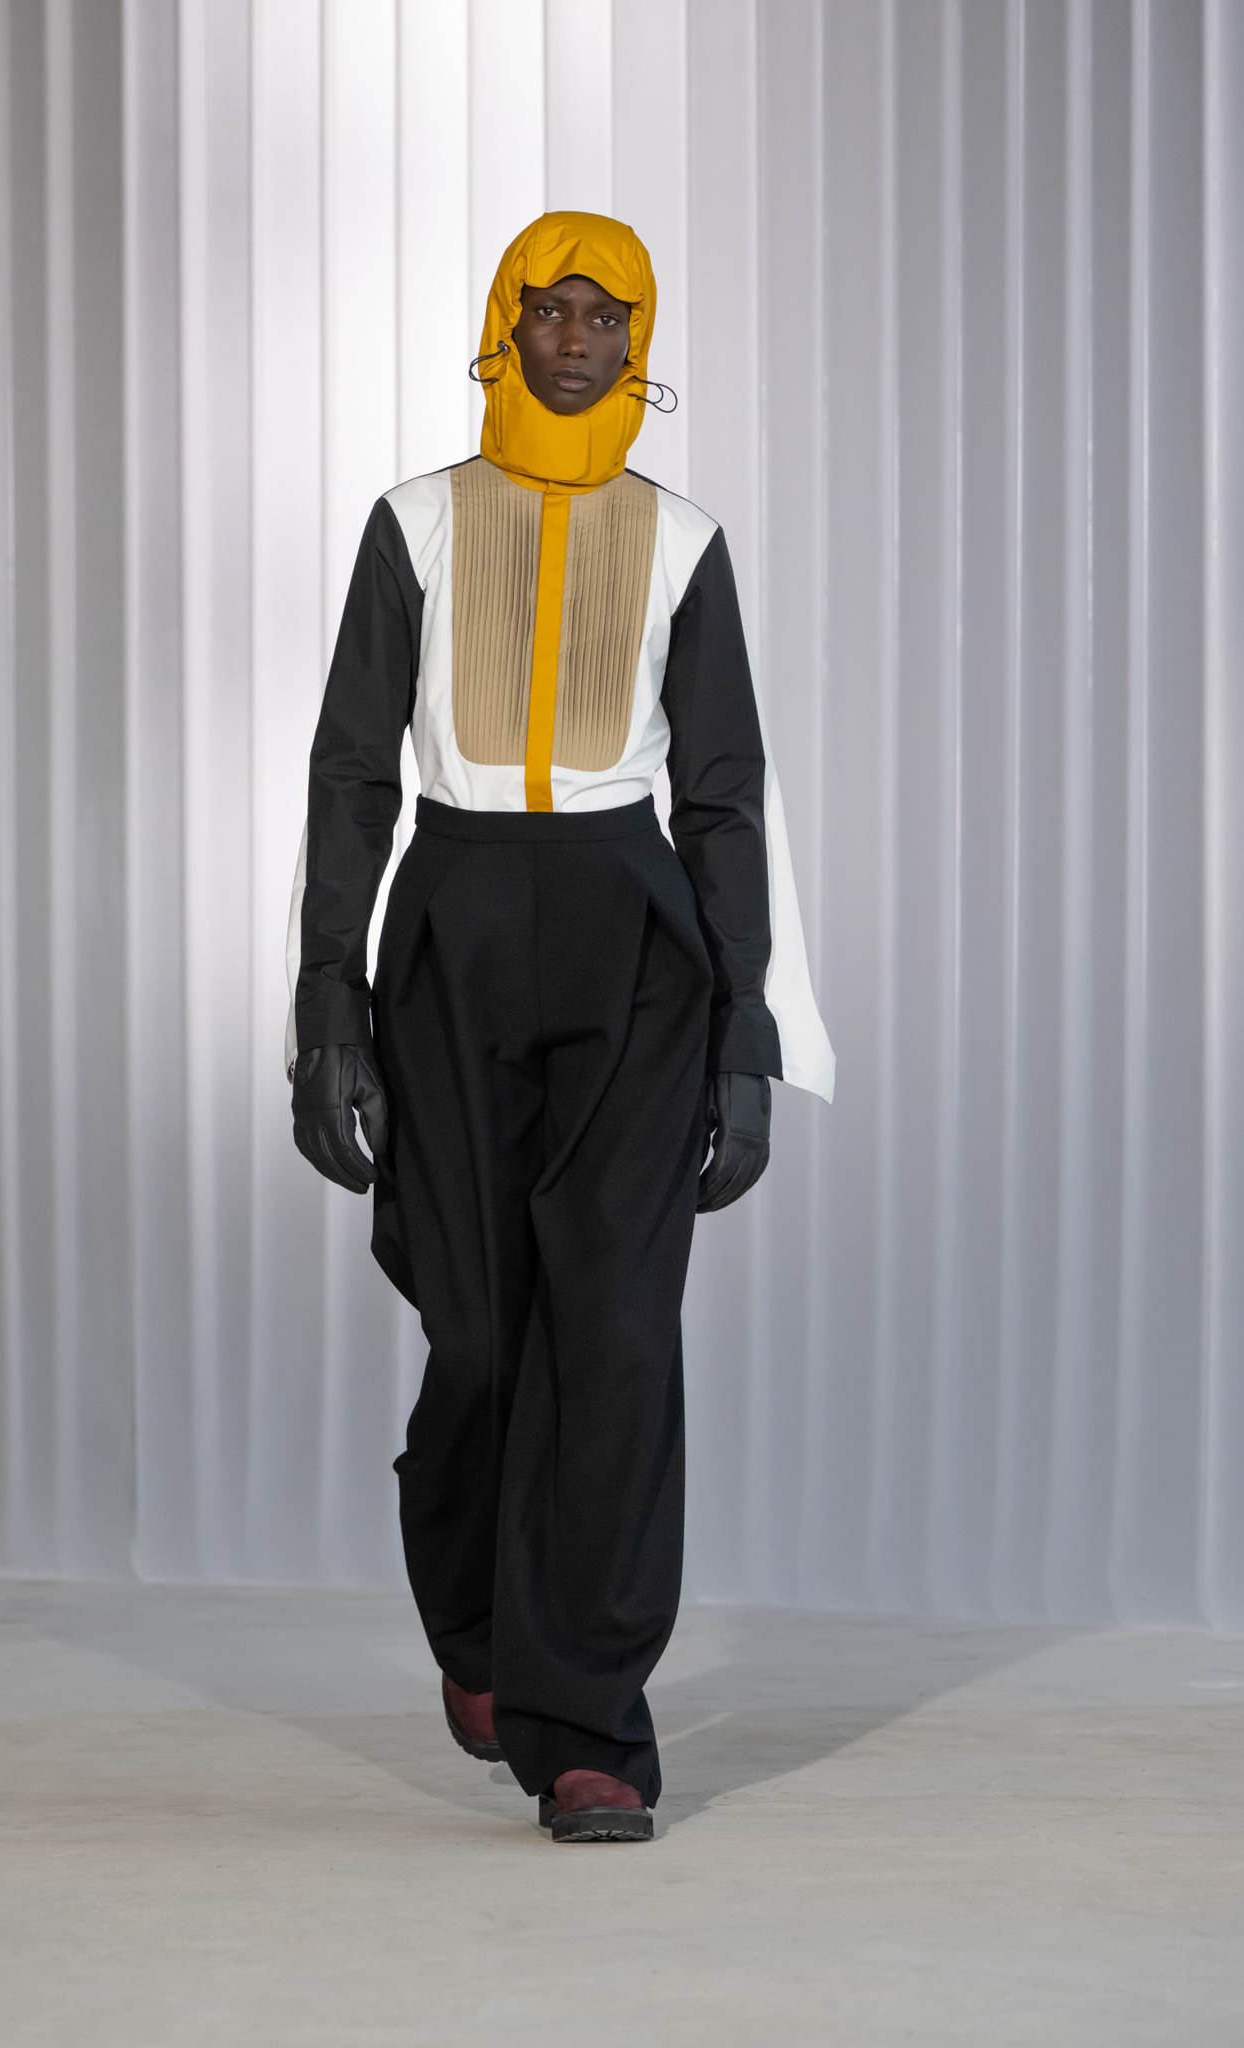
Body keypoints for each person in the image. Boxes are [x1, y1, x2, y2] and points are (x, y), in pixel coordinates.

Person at [287, 212, 834, 1843]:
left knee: (613, 1340)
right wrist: (325, 1000)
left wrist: (748, 1033)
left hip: (633, 948)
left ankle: (589, 1726)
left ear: (638, 342)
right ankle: (475, 1620)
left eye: (610, 316)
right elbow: (351, 772)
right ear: (504, 325)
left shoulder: (681, 541)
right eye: (554, 310)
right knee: (477, 1338)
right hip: (452, 932)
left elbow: (724, 794)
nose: (580, 339)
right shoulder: (414, 522)